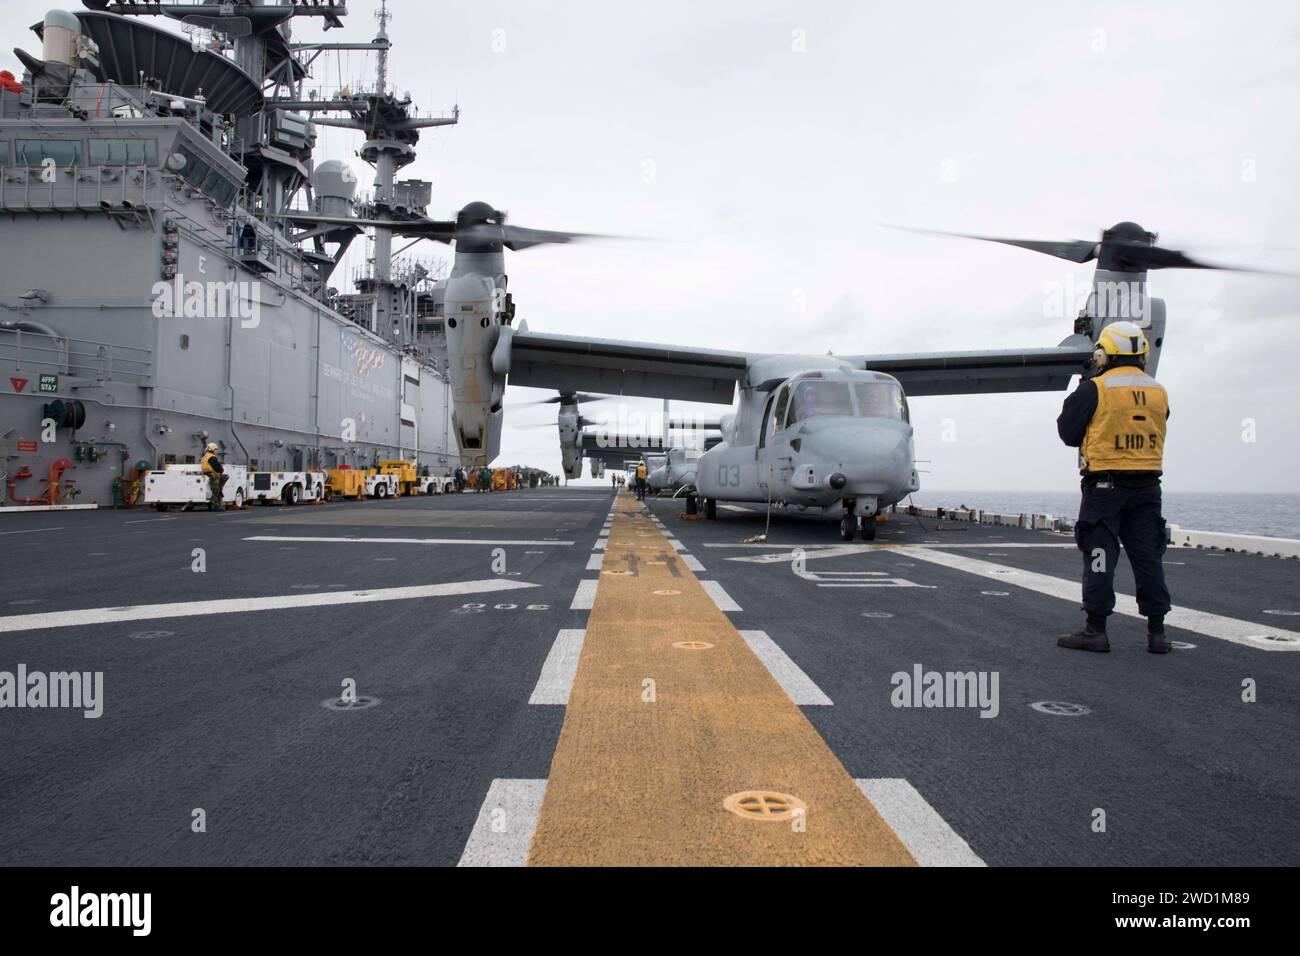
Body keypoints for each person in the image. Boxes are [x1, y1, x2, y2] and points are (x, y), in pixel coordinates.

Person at [1056, 320, 1172, 654]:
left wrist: (1085, 388)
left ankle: (1096, 630)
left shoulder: (1097, 388)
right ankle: (1157, 633)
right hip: (1149, 486)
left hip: (1105, 488)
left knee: (1099, 556)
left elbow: (1068, 433)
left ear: (1105, 353)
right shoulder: (1158, 390)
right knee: (1148, 557)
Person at [199, 442, 228, 511]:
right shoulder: (212, 457)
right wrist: (221, 470)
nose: (216, 451)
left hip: (206, 474)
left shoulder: (205, 456)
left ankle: (220, 489)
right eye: (216, 450)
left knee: (225, 477)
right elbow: (218, 468)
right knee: (216, 490)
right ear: (213, 450)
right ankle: (216, 506)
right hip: (212, 475)